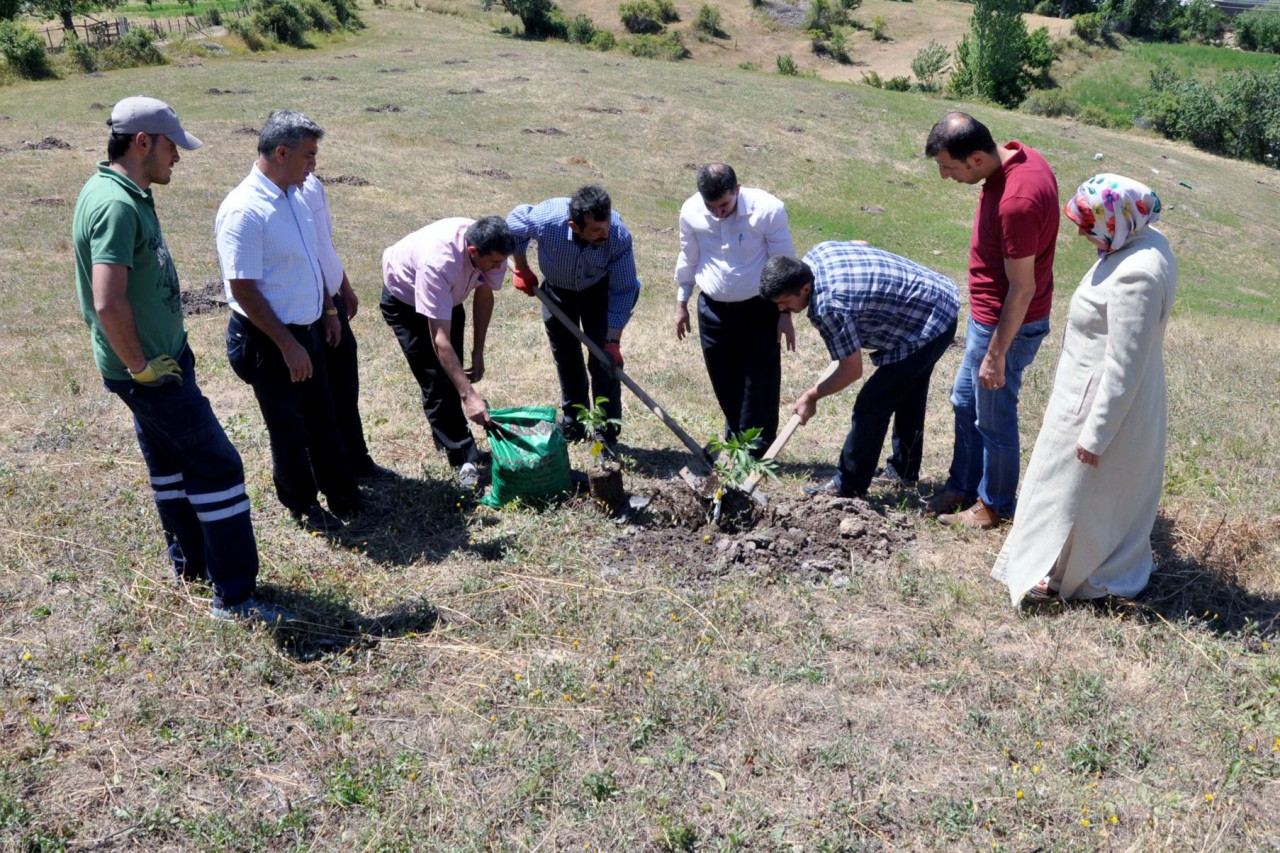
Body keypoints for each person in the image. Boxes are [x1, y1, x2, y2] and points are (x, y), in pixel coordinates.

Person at [73, 96, 284, 623]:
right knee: (217, 464)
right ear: (142, 142)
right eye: (171, 145)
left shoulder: (121, 191)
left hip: (157, 363)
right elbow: (107, 299)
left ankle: (191, 566)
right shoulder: (117, 205)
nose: (178, 156)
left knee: (171, 464)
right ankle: (235, 599)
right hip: (149, 372)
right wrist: (141, 366)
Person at [994, 175, 1176, 604]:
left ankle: (1079, 575)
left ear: (1118, 218)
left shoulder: (1139, 276)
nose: (1079, 232)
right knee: (1085, 491)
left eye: (1087, 222)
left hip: (1102, 402)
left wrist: (1096, 434)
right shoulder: (1141, 241)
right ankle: (1058, 564)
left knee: (1078, 492)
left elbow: (1123, 366)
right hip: (1091, 391)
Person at [216, 109, 362, 533]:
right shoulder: (244, 211)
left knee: (323, 417)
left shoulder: (295, 196)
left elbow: (310, 259)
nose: (314, 166)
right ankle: (303, 505)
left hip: (307, 329)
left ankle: (344, 497)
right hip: (268, 341)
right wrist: (287, 344)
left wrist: (327, 311)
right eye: (308, 156)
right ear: (281, 152)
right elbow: (243, 290)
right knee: (289, 429)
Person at [924, 111, 1059, 529]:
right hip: (987, 318)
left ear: (978, 158)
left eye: (949, 167)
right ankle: (964, 485)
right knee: (964, 400)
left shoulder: (1017, 200)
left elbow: (1023, 288)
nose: (945, 177)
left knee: (995, 418)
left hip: (1007, 326)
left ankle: (995, 505)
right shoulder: (1019, 155)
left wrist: (996, 354)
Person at [760, 241, 959, 498]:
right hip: (934, 298)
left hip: (930, 323)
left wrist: (813, 395)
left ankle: (848, 485)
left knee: (871, 404)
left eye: (784, 302)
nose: (781, 309)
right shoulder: (817, 255)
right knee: (909, 392)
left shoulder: (828, 307)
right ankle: (904, 470)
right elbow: (860, 244)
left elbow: (851, 370)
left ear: (805, 288)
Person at [380, 217, 515, 487]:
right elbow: (440, 340)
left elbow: (484, 293)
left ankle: (450, 438)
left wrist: (478, 351)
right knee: (436, 377)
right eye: (496, 263)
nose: (501, 268)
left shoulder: (493, 248)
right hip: (404, 298)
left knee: (455, 370)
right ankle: (462, 453)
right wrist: (469, 397)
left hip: (450, 294)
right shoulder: (438, 263)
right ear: (473, 252)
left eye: (503, 261)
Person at [674, 163, 796, 453]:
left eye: (725, 205)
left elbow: (783, 263)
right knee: (724, 379)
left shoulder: (768, 210)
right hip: (713, 311)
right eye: (711, 206)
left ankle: (759, 450)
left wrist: (785, 313)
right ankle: (736, 440)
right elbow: (688, 257)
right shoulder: (691, 212)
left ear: (737, 190)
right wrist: (682, 302)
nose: (719, 213)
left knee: (760, 381)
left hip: (758, 309)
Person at [506, 186, 640, 446]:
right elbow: (514, 223)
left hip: (598, 294)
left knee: (604, 363)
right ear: (574, 226)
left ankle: (605, 431)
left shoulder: (618, 235)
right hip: (556, 293)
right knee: (567, 358)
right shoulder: (548, 219)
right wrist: (521, 267)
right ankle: (574, 423)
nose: (605, 233)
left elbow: (624, 289)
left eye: (606, 226)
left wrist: (613, 341)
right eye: (596, 230)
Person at [299, 167, 396, 482]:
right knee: (320, 392)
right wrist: (328, 310)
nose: (313, 163)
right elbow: (306, 255)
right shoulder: (286, 192)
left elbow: (324, 244)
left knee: (345, 384)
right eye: (307, 153)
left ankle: (358, 460)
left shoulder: (311, 185)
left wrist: (345, 286)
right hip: (312, 306)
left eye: (314, 154)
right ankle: (329, 469)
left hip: (331, 301)